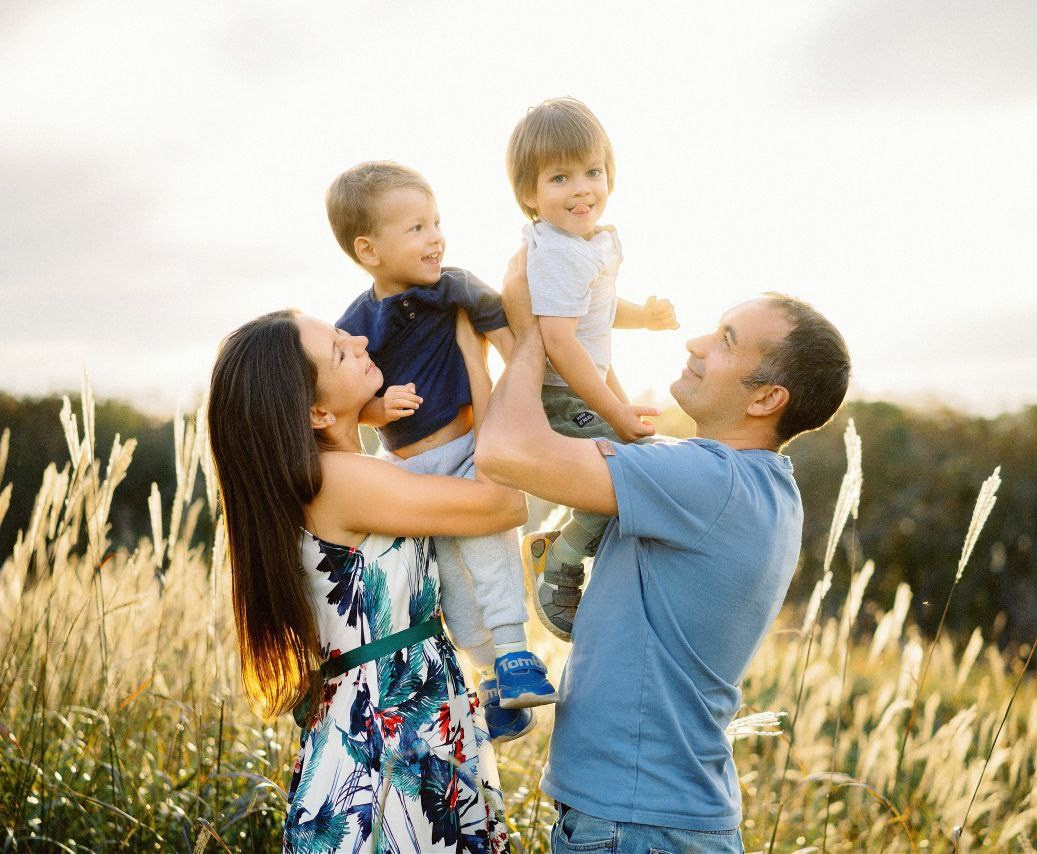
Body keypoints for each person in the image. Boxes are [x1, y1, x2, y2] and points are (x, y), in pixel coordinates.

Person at [475, 252, 851, 852]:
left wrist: (529, 332)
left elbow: (502, 451)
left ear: (766, 399)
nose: (697, 343)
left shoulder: (706, 481)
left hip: (636, 826)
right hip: (651, 820)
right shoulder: (755, 486)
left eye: (726, 342)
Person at [208, 310, 520, 852]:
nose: (358, 340)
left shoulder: (330, 474)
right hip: (392, 734)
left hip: (386, 716)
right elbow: (504, 502)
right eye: (338, 350)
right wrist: (475, 358)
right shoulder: (342, 481)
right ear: (316, 411)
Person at [327, 160, 556, 739]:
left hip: (462, 449)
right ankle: (493, 680)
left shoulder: (454, 287)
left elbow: (511, 345)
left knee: (487, 549)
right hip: (402, 467)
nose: (435, 238)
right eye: (417, 229)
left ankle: (513, 649)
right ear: (368, 249)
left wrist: (515, 413)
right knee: (447, 577)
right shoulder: (355, 324)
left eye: (437, 223)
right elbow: (348, 407)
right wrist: (380, 409)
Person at [504, 97, 678, 641]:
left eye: (592, 172)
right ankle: (558, 558)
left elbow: (592, 315)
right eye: (560, 177)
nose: (582, 188)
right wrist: (613, 410)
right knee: (628, 471)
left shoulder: (591, 242)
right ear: (529, 195)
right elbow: (559, 342)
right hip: (561, 394)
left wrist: (642, 319)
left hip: (588, 383)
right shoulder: (557, 251)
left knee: (642, 462)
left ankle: (574, 546)